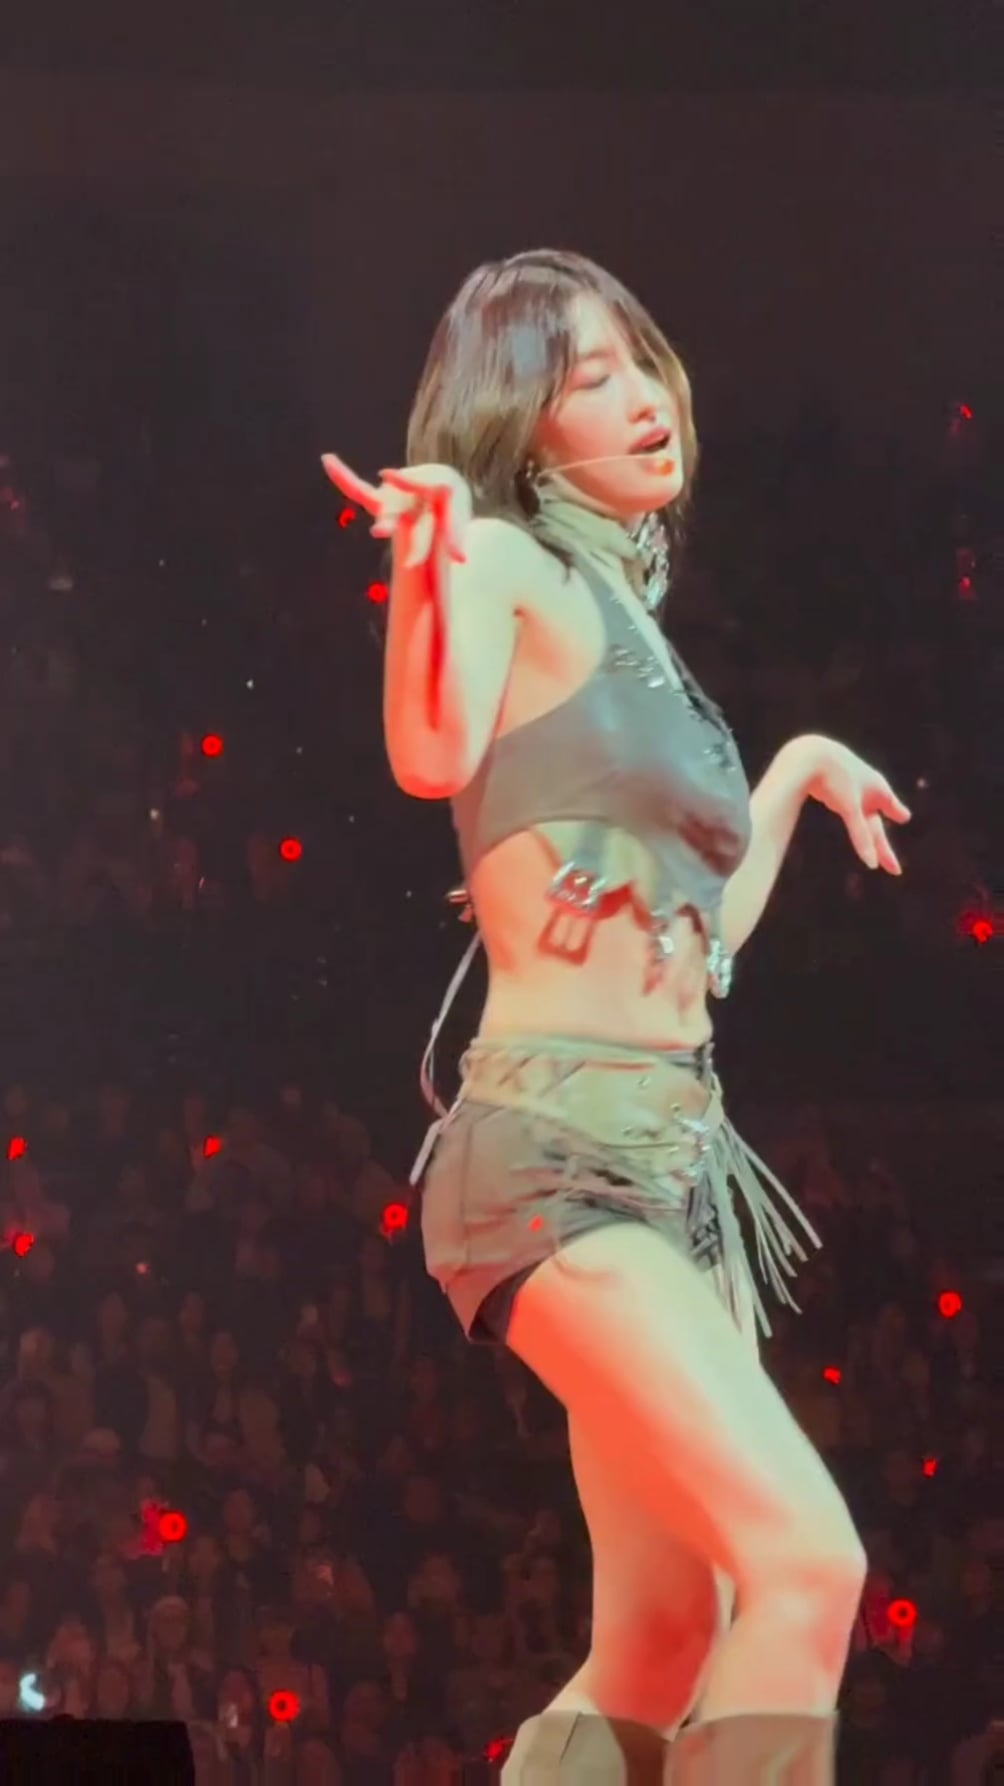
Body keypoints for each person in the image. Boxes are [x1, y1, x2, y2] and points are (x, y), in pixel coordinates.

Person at [322, 248, 910, 1782]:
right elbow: (430, 752)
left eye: (644, 361)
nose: (646, 396)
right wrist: (427, 572)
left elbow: (700, 941)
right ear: (520, 422)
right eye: (594, 377)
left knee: (662, 1626)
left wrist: (793, 770)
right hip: (555, 1148)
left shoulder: (635, 623)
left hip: (675, 1165)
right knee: (806, 1558)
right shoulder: (504, 555)